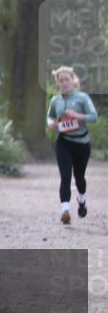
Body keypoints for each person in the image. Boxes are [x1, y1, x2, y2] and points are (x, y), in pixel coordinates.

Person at [46, 66, 98, 225]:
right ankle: (65, 211)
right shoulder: (56, 100)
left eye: (66, 79)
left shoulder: (82, 98)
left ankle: (81, 200)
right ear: (58, 84)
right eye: (60, 81)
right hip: (64, 142)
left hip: (82, 143)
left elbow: (94, 117)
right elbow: (50, 116)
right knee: (65, 176)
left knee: (79, 177)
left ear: (73, 80)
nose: (64, 83)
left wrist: (77, 116)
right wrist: (51, 123)